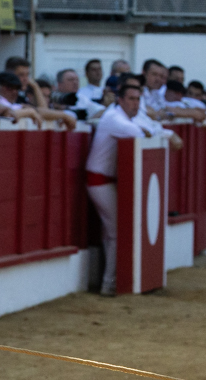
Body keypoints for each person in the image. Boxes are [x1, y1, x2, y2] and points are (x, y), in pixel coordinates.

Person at [85, 84, 153, 298]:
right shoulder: (114, 118)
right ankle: (108, 283)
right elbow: (140, 132)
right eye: (131, 99)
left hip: (104, 180)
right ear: (120, 100)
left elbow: (148, 128)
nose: (135, 103)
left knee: (110, 232)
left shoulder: (122, 117)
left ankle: (108, 281)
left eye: (137, 99)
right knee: (115, 232)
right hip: (99, 181)